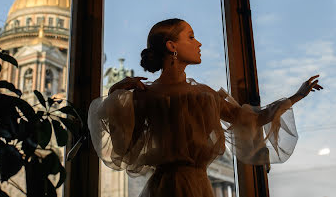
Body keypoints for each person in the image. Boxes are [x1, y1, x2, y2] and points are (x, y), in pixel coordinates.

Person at [88, 18, 323, 197]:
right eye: (191, 37)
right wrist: (115, 97)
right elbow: (126, 149)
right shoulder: (147, 95)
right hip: (170, 187)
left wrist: (296, 96)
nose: (199, 43)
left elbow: (250, 118)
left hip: (193, 186)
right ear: (172, 46)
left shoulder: (203, 95)